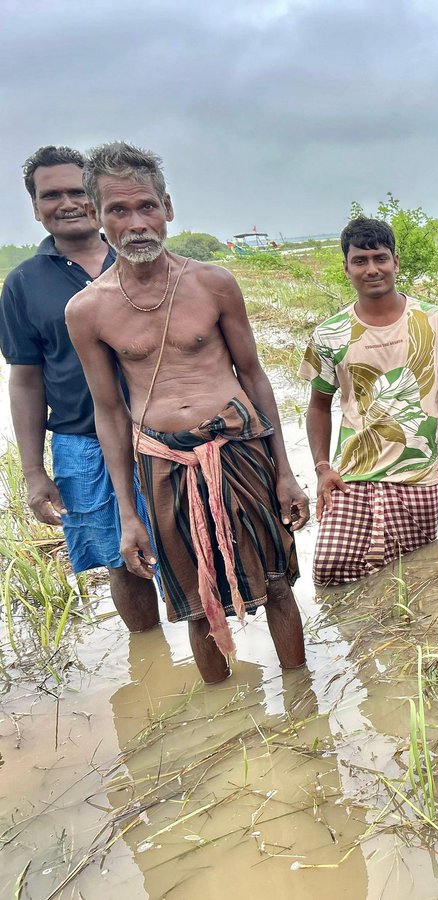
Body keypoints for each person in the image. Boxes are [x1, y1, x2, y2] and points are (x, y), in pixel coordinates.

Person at [65, 142, 307, 684]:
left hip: (237, 448)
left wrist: (286, 472)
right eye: (119, 211)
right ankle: (223, 722)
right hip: (164, 462)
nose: (137, 224)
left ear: (168, 208)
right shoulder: (87, 310)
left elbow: (255, 376)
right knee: (195, 599)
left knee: (275, 584)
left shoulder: (212, 283)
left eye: (146, 206)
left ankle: (302, 699)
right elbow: (109, 412)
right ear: (98, 219)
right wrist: (129, 515)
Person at [0, 146, 160, 633]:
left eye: (76, 191)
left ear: (94, 196)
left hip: (165, 430)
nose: (67, 203)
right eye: (52, 195)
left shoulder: (141, 254)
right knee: (122, 558)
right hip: (82, 440)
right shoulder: (23, 284)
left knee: (190, 540)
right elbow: (26, 379)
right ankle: (151, 657)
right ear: (35, 207)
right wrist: (33, 472)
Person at [300, 217, 438, 587]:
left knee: (418, 579)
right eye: (360, 260)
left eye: (380, 258)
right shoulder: (329, 333)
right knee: (330, 571)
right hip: (350, 475)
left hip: (418, 474)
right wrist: (322, 467)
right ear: (346, 267)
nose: (372, 269)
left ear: (396, 262)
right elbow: (318, 406)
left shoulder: (437, 321)